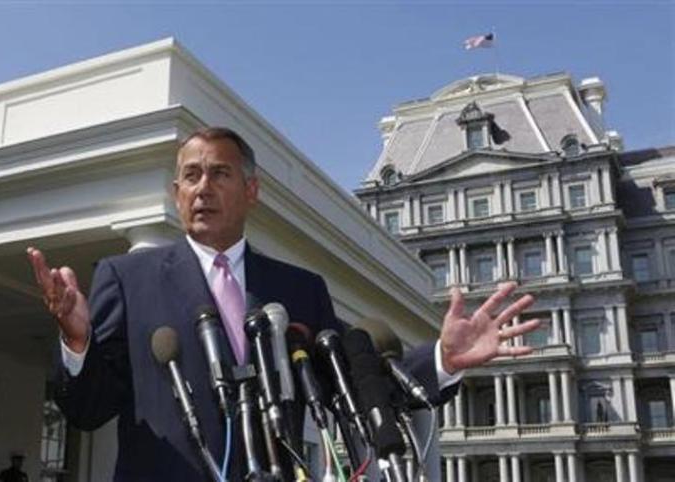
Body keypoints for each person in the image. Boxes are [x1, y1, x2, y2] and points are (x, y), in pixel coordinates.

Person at [27, 127, 538, 481]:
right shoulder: (127, 275)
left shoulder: (298, 290)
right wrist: (78, 341)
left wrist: (444, 360)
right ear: (176, 192)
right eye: (190, 176)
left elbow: (355, 380)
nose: (202, 187)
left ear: (252, 190)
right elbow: (88, 410)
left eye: (219, 174)